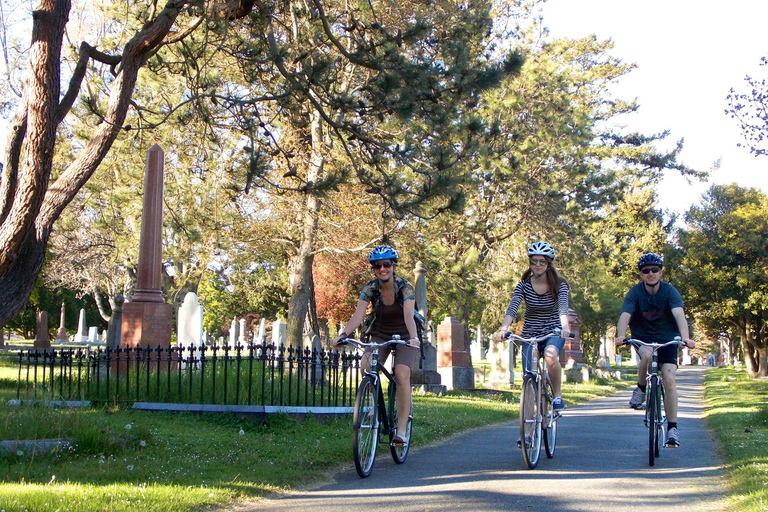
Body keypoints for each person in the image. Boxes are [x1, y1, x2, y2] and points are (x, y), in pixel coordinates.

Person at [333, 245, 420, 445]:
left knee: (401, 374)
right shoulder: (370, 288)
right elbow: (358, 316)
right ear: (373, 268)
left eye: (386, 264)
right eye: (377, 265)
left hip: (406, 334)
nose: (382, 269)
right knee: (366, 367)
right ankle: (375, 405)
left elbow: (409, 315)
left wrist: (414, 338)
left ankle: (401, 430)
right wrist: (343, 335)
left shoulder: (405, 287)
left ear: (393, 266)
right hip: (380, 333)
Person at [615, 252, 696, 448]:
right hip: (643, 337)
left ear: (661, 272)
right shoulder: (635, 293)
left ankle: (672, 429)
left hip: (668, 338)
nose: (650, 273)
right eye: (646, 271)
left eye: (654, 270)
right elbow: (625, 315)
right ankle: (641, 389)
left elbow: (679, 315)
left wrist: (685, 338)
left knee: (669, 379)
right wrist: (620, 335)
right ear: (641, 274)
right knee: (647, 354)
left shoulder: (670, 292)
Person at [495, 241, 571, 412]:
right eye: (534, 261)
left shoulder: (559, 285)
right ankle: (528, 424)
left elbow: (563, 308)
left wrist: (565, 327)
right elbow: (513, 307)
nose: (537, 265)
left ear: (548, 264)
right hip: (530, 334)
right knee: (528, 376)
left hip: (553, 331)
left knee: (550, 355)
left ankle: (557, 396)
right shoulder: (524, 285)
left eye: (542, 261)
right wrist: (504, 328)